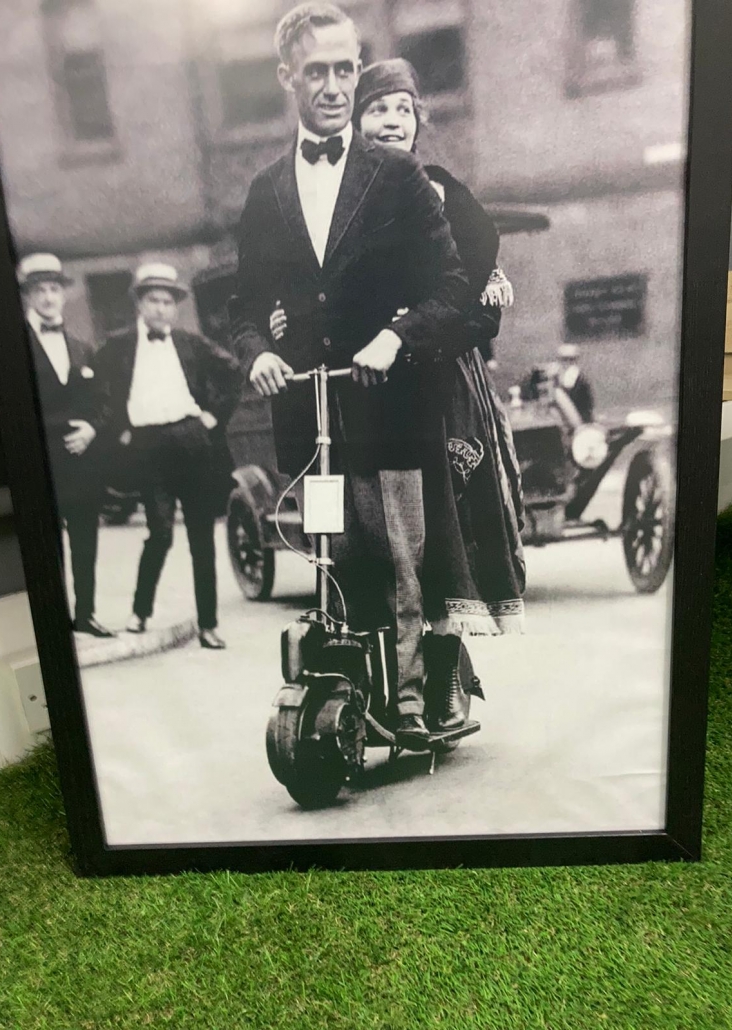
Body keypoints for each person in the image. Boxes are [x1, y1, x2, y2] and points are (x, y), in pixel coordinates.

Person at [228, 3, 471, 749]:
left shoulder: (396, 176)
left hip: (389, 415)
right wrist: (256, 352)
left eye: (345, 69)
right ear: (286, 78)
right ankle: (343, 693)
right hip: (312, 428)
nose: (334, 87)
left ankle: (404, 704)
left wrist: (395, 337)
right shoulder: (266, 190)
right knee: (334, 560)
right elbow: (243, 306)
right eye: (316, 72)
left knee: (399, 557)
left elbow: (453, 286)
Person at [271, 58, 526, 729]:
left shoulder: (441, 196)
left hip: (439, 384)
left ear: (417, 123)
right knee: (357, 536)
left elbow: (476, 306)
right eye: (376, 109)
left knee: (442, 535)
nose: (388, 122)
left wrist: (409, 340)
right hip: (356, 391)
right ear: (354, 120)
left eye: (401, 110)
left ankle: (442, 676)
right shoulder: (334, 199)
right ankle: (366, 674)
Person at [94, 263, 240, 650]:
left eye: (167, 302)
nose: (161, 309)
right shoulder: (118, 345)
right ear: (139, 304)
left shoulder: (190, 342)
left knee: (201, 537)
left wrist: (213, 416)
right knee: (158, 532)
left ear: (175, 308)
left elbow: (233, 371)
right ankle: (140, 612)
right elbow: (96, 390)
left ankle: (208, 624)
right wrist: (119, 430)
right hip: (147, 446)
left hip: (192, 442)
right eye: (153, 300)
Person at [17, 252, 114, 638]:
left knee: (86, 540)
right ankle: (51, 620)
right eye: (39, 290)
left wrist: (91, 429)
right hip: (39, 461)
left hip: (81, 461)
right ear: (28, 296)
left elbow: (104, 400)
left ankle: (86, 614)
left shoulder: (81, 347)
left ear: (63, 295)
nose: (48, 297)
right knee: (45, 544)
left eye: (54, 289)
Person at [557, 343, 594, 423]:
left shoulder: (579, 380)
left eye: (571, 359)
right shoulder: (560, 377)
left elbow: (586, 407)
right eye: (564, 359)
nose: (567, 362)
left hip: (579, 421)